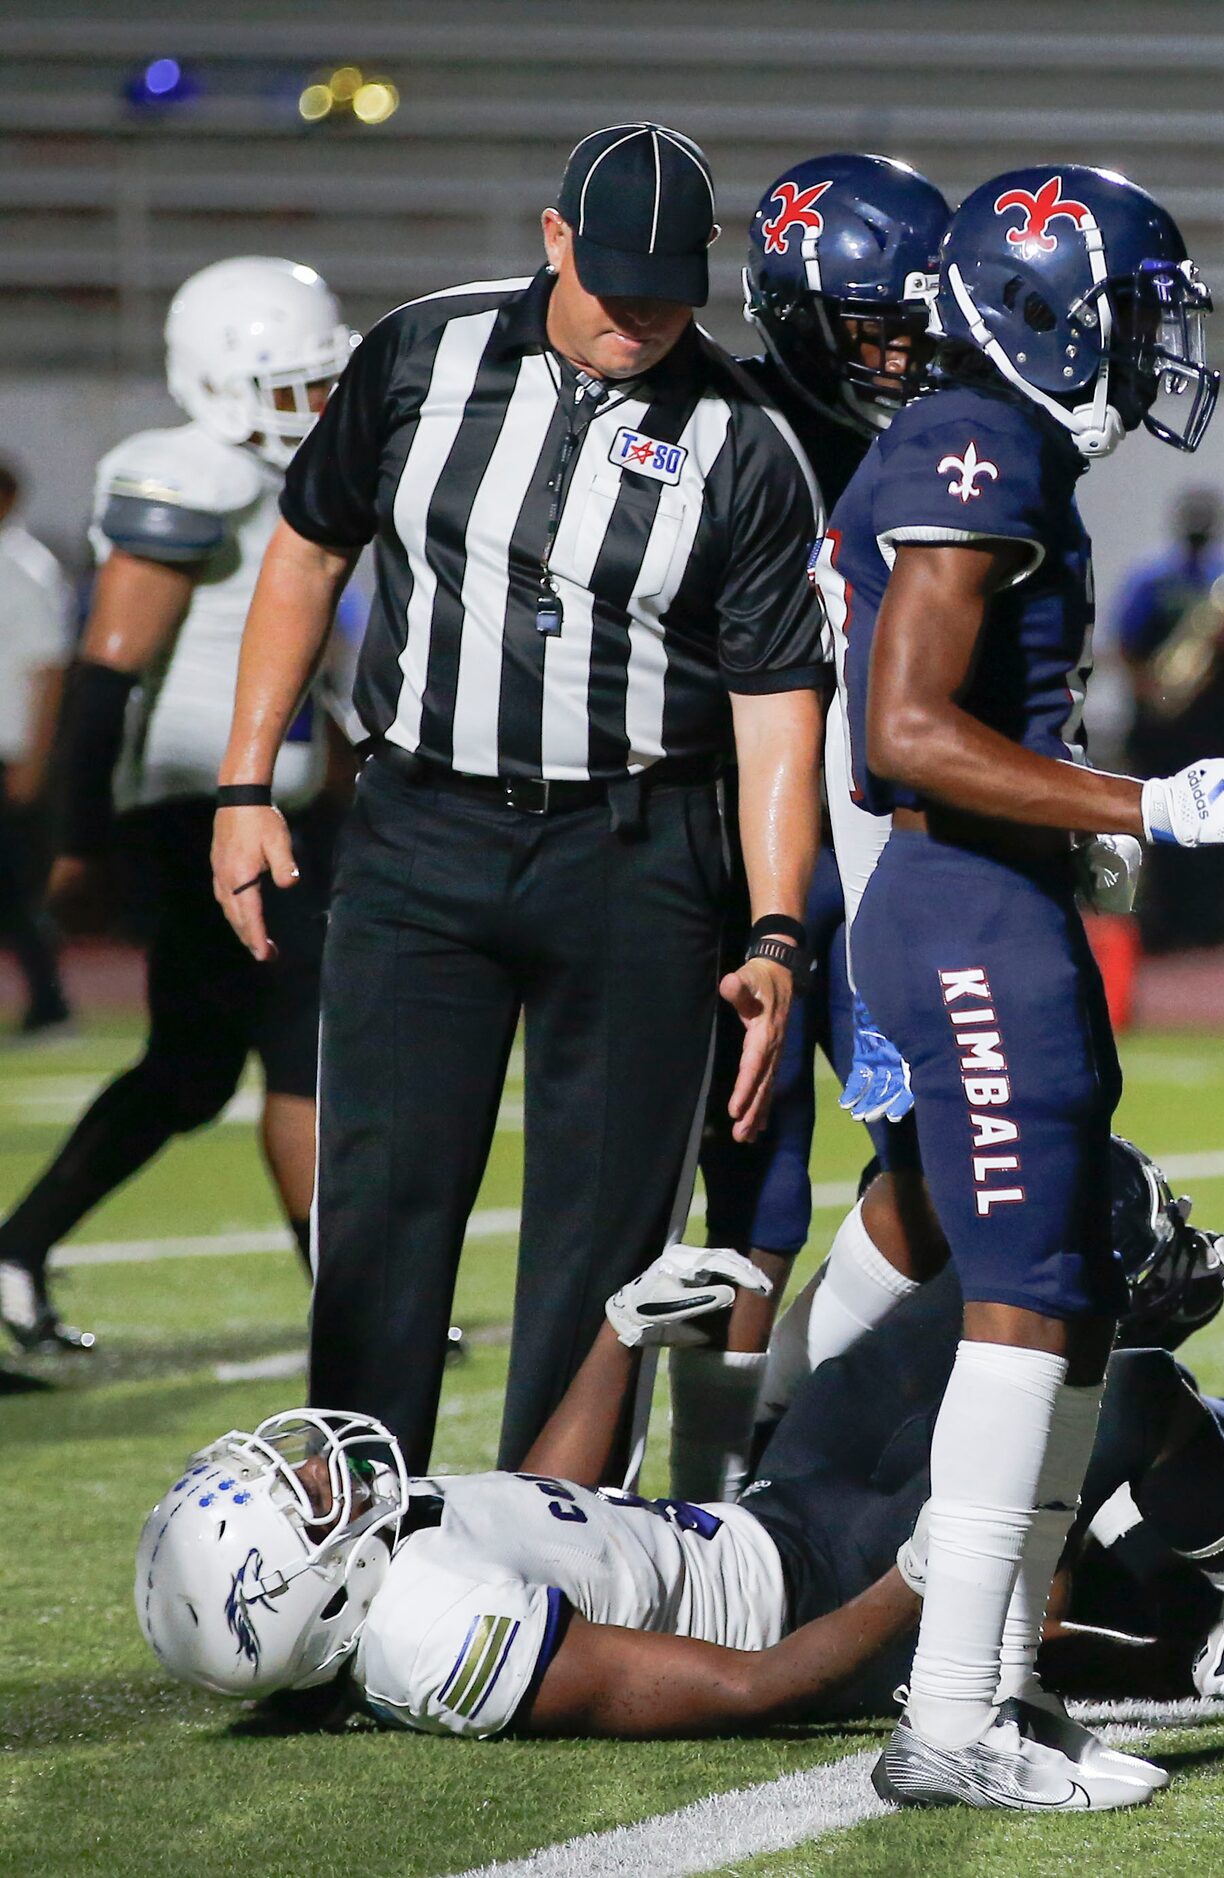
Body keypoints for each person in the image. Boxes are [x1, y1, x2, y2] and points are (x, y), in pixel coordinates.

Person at [208, 124, 829, 1475]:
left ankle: (550, 1577)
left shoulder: (747, 438)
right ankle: (348, 1540)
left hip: (641, 849)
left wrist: (777, 931)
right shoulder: (419, 355)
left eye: (669, 285)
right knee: (380, 1209)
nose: (641, 315)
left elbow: (778, 705)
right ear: (553, 241)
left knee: (604, 1239)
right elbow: (310, 550)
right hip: (420, 827)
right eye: (613, 281)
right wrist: (245, 779)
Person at [135, 1163, 1224, 1743]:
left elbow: (553, 1503)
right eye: (298, 1500)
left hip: (776, 1513)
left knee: (1011, 1244)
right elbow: (750, 1685)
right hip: (820, 1594)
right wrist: (935, 1562)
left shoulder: (408, 1556)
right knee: (1120, 1383)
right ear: (302, 1605)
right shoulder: (431, 1632)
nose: (318, 1471)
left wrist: (617, 1336)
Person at [828, 163, 1224, 1811]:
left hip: (994, 907)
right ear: (1044, 305)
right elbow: (903, 734)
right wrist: (1145, 802)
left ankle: (996, 1692)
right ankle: (950, 1716)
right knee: (1020, 1312)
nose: (1154, 341)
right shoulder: (980, 441)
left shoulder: (1004, 446)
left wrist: (1079, 825)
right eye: (1133, 310)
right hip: (960, 913)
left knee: (1068, 1304)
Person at [658, 152, 957, 1504]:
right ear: (801, 312)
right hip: (757, 850)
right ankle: (717, 1481)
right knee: (754, 1185)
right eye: (880, 326)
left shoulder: (944, 438)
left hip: (896, 841)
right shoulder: (717, 429)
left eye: (920, 324)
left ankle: (796, 1443)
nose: (906, 355)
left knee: (940, 1157)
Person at [0, 261, 353, 1359]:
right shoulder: (192, 474)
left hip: (261, 813)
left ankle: (13, 1254)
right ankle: (353, 1311)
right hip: (207, 819)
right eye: (293, 387)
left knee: (194, 1074)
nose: (320, 408)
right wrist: (80, 842)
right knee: (307, 1051)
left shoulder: (281, 481)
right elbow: (107, 674)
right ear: (220, 386)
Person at [1114, 488, 1224, 954]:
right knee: (1156, 823)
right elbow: (1125, 644)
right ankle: (1161, 928)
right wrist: (1152, 688)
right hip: (1162, 724)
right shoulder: (1151, 580)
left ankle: (1211, 928)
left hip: (1218, 722)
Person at [0, 457, 69, 1038]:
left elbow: (48, 671)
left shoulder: (23, 569)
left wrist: (33, 759)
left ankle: (49, 1003)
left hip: (9, 752)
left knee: (18, 889)